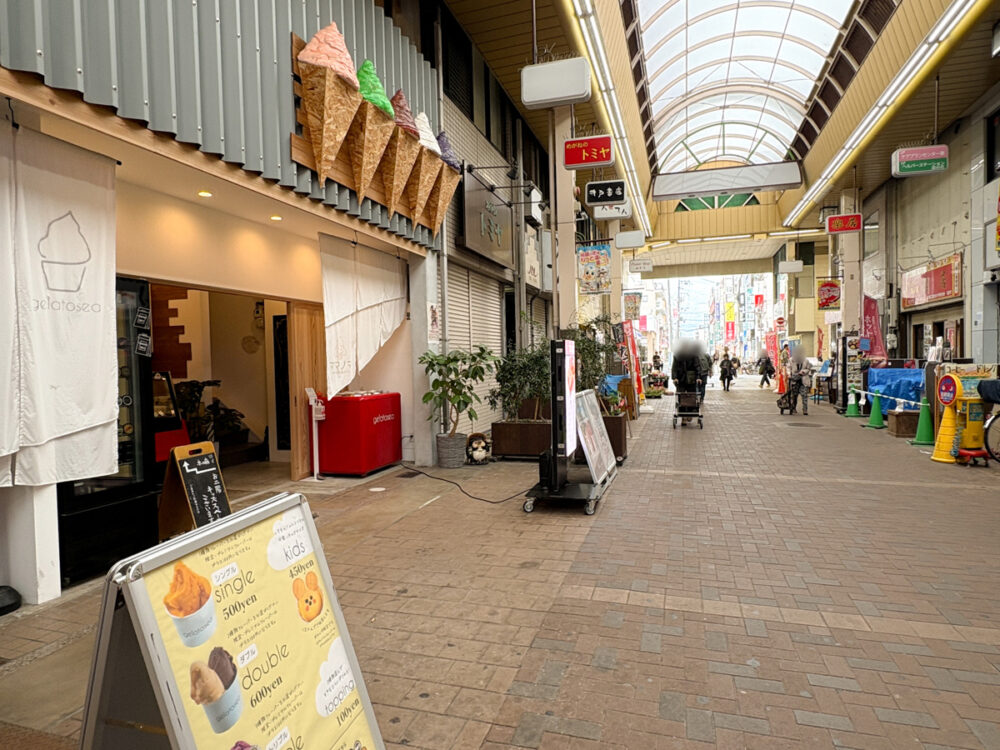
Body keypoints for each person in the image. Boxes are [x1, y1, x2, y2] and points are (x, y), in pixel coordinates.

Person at [788, 349, 813, 415]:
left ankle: (805, 409)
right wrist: (789, 374)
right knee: (794, 395)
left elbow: (808, 368)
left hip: (803, 379)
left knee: (804, 395)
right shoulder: (791, 360)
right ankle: (793, 408)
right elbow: (788, 368)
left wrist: (803, 371)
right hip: (794, 380)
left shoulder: (806, 360)